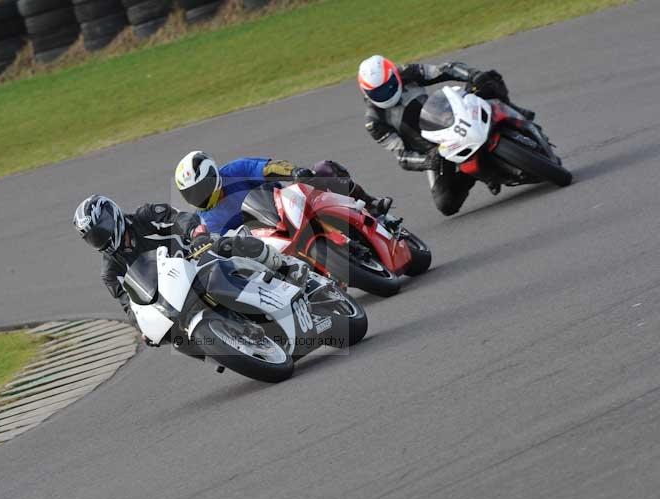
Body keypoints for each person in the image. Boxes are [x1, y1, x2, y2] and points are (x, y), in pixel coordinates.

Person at [72, 195, 290, 342]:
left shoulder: (146, 216)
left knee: (228, 243)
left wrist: (196, 233)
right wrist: (144, 328)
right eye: (94, 237)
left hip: (197, 255)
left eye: (102, 229)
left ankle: (284, 266)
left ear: (113, 215)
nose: (102, 237)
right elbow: (129, 306)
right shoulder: (111, 272)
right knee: (174, 338)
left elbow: (181, 218)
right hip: (174, 295)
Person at [358, 54, 537, 215]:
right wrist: (428, 160)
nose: (387, 92)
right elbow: (402, 156)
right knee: (446, 204)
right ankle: (476, 172)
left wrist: (472, 74)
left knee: (488, 78)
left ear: (394, 75)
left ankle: (516, 115)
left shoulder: (407, 72)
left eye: (389, 85)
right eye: (378, 92)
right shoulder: (374, 122)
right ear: (366, 92)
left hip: (451, 117)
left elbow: (444, 70)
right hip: (436, 149)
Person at [174, 152, 393, 235]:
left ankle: (370, 205)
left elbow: (269, 167)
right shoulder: (207, 221)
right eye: (190, 193)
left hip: (291, 204)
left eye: (200, 189)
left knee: (324, 169)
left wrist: (294, 172)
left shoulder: (235, 170)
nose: (198, 197)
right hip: (272, 241)